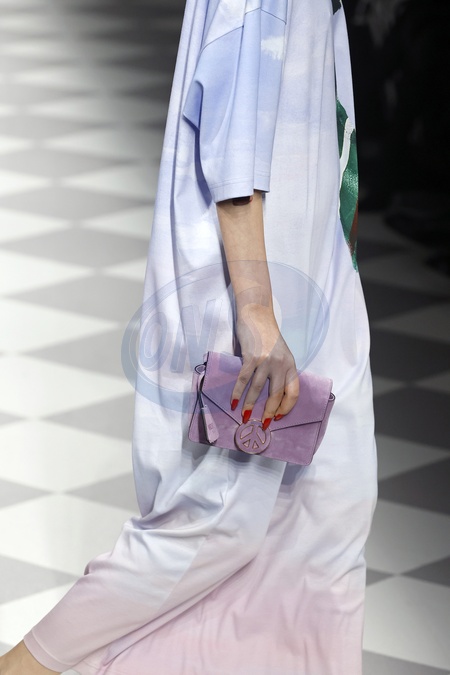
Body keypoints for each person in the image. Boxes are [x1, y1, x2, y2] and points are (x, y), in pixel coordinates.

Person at [0, 0, 377, 673]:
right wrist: (257, 315)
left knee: (327, 521)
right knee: (214, 521)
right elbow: (234, 145)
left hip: (320, 291)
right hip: (262, 297)